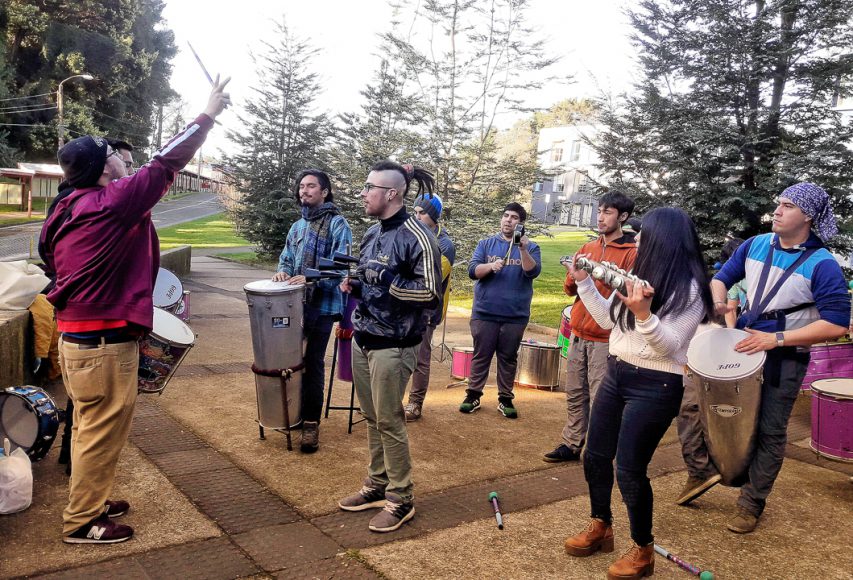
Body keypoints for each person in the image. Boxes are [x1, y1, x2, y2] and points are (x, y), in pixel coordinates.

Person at [40, 77, 231, 544]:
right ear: (102, 170)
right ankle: (83, 521)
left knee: (88, 424)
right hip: (104, 343)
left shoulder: (65, 207)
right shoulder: (111, 203)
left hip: (78, 338)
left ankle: (92, 499)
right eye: (113, 155)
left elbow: (51, 260)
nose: (122, 159)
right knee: (100, 430)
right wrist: (207, 113)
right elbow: (167, 163)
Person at [563, 207, 712, 580]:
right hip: (616, 372)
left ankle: (643, 549)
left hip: (656, 384)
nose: (636, 240)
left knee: (629, 469)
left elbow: (669, 345)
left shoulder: (692, 289)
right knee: (595, 456)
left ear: (663, 240)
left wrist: (645, 314)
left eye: (643, 234)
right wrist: (584, 283)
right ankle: (601, 525)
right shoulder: (638, 278)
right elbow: (607, 321)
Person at [708, 182, 849, 533]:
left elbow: (836, 324)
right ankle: (716, 473)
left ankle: (751, 503)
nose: (778, 211)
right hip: (744, 347)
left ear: (808, 216)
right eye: (779, 204)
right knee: (726, 416)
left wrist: (777, 339)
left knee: (771, 430)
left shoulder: (822, 264)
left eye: (787, 206)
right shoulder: (754, 245)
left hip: (785, 358)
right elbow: (721, 278)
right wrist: (717, 300)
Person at [337, 160, 442, 533]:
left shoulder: (419, 236)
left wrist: (390, 280)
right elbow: (367, 277)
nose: (363, 193)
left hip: (395, 345)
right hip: (364, 338)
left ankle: (401, 498)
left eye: (369, 187)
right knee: (372, 417)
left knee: (389, 420)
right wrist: (356, 285)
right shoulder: (371, 233)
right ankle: (377, 484)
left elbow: (430, 293)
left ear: (391, 193)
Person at [544, 191, 637, 462]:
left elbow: (626, 294)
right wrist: (573, 277)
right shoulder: (587, 248)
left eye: (608, 212)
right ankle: (571, 443)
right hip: (578, 331)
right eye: (599, 210)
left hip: (605, 337)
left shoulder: (631, 254)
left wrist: (599, 276)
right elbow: (569, 290)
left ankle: (597, 449)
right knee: (574, 392)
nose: (600, 216)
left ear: (623, 217)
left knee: (601, 398)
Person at [271, 169, 352, 452]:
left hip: (323, 305)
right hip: (294, 304)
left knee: (312, 361)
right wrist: (283, 272)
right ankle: (291, 414)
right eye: (302, 186)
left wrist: (311, 277)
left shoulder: (338, 224)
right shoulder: (297, 227)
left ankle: (310, 425)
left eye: (311, 186)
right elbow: (286, 258)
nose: (304, 191)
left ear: (325, 192)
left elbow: (341, 267)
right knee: (291, 360)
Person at [675, 236, 746, 505]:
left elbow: (729, 321)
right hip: (723, 353)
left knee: (693, 410)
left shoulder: (731, 283)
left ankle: (704, 469)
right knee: (699, 411)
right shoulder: (721, 281)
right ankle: (705, 469)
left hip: (719, 355)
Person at [460, 203, 542, 418]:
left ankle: (505, 398)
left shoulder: (531, 247)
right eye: (505, 216)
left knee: (508, 357)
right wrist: (490, 266)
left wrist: (522, 248)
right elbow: (472, 271)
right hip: (485, 312)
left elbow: (532, 272)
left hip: (515, 315)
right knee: (481, 355)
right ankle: (473, 394)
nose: (508, 220)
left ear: (520, 223)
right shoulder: (486, 244)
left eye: (514, 217)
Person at [404, 192, 455, 421]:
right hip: (404, 306)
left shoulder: (445, 245)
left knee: (420, 358)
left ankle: (415, 403)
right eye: (414, 212)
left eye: (422, 213)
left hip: (427, 311)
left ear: (434, 216)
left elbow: (429, 278)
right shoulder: (410, 235)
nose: (416, 216)